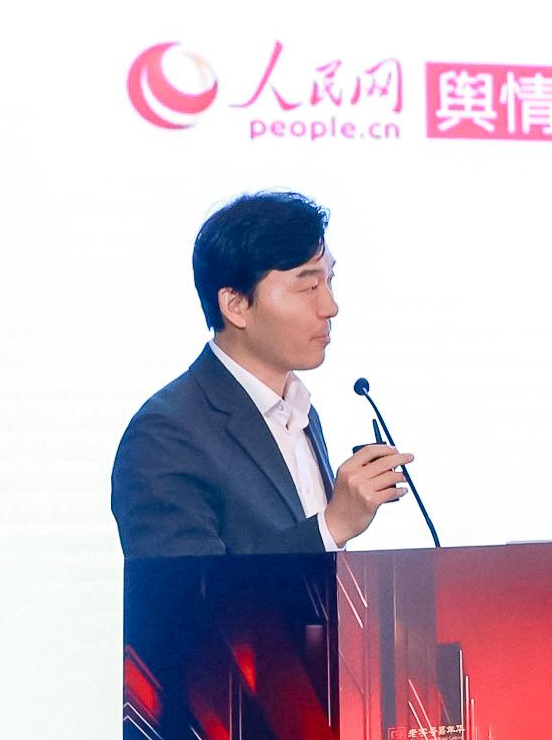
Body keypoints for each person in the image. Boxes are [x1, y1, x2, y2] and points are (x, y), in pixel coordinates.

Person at [111, 190, 410, 559]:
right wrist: (331, 526)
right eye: (309, 286)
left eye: (330, 281)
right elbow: (190, 590)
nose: (330, 306)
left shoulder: (299, 411)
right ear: (236, 305)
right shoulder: (165, 434)